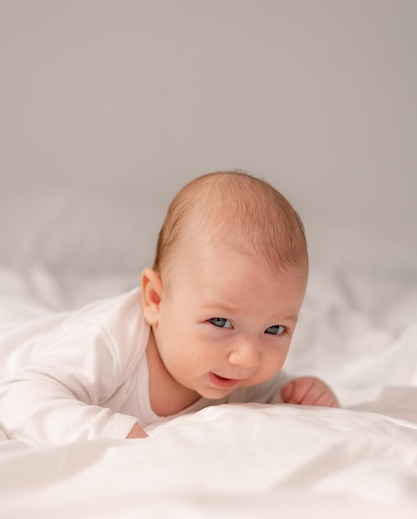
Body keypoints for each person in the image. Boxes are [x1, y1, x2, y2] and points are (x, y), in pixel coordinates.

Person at [0, 171, 338, 445]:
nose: (249, 357)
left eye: (275, 329)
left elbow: (269, 395)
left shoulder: (238, 368)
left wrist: (299, 394)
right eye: (220, 322)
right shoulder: (109, 341)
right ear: (156, 301)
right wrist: (110, 434)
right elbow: (20, 397)